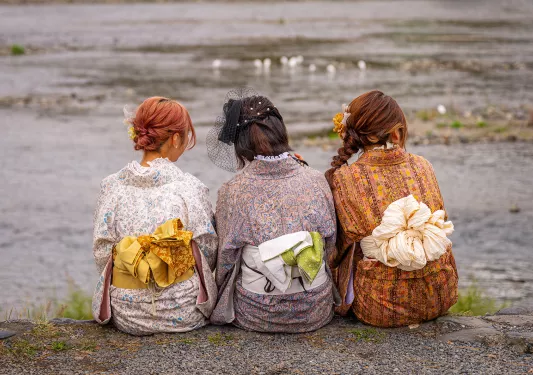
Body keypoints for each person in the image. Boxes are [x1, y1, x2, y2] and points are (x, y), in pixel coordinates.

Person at [208, 88, 338, 333]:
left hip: (257, 311)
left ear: (240, 144)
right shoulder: (315, 179)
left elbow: (224, 261)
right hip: (314, 306)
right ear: (281, 132)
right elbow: (330, 244)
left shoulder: (232, 190)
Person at [326, 90, 458, 328]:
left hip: (380, 306)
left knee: (345, 245)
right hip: (439, 295)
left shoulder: (346, 177)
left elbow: (339, 248)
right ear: (396, 133)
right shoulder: (423, 165)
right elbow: (442, 219)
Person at [91, 97, 218, 335]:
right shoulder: (190, 188)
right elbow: (208, 251)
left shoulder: (111, 187)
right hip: (183, 310)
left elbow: (102, 252)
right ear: (176, 138)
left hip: (127, 314)